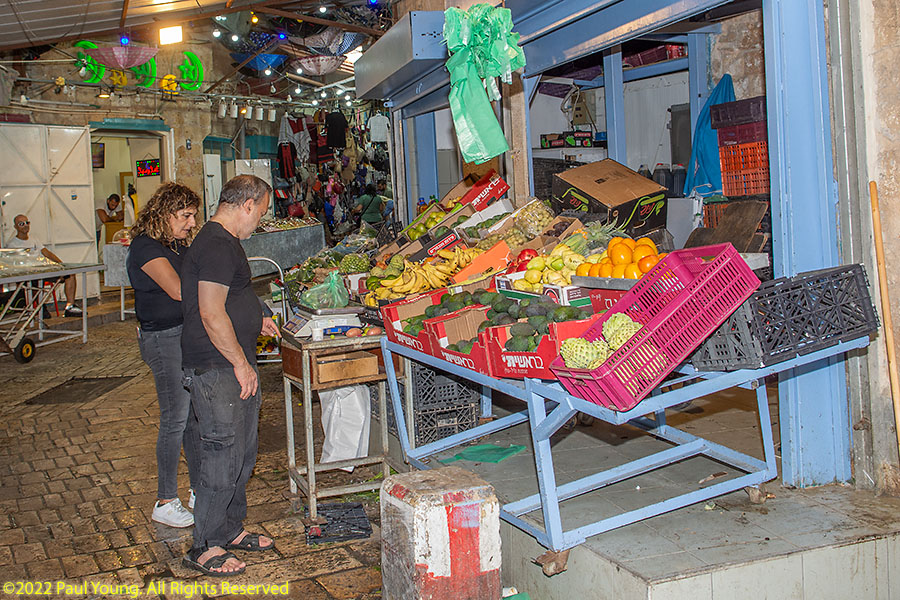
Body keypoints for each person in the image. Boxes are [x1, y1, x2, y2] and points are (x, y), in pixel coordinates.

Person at [180, 174, 278, 577]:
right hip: (217, 366)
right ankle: (204, 545)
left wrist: (258, 315)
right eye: (262, 212)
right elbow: (210, 311)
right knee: (222, 456)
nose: (260, 221)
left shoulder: (225, 242)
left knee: (242, 453)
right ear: (247, 205)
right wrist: (240, 362)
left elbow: (233, 296)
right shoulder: (217, 244)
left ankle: (230, 529)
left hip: (232, 363)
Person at [126, 183, 201, 529]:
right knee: (175, 418)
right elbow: (179, 290)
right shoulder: (145, 247)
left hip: (181, 336)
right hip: (162, 339)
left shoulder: (175, 244)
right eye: (185, 216)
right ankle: (165, 500)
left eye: (193, 216)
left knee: (192, 418)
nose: (191, 223)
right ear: (165, 213)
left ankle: (199, 490)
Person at [5, 215, 82, 317]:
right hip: (28, 275)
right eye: (21, 224)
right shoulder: (12, 244)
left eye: (27, 223)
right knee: (32, 283)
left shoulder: (34, 239)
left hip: (43, 271)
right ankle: (39, 307)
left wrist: (62, 265)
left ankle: (70, 307)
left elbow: (47, 253)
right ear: (15, 227)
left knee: (70, 275)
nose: (25, 225)